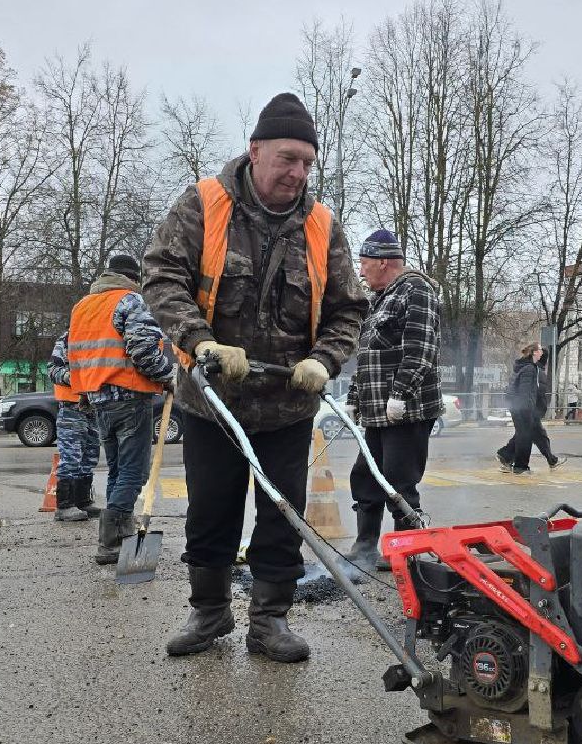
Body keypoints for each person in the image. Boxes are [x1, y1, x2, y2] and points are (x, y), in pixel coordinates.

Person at [145, 92, 368, 663]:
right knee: (211, 508)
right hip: (213, 401)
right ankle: (210, 612)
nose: (297, 172)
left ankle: (270, 620)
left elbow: (348, 309)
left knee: (282, 516)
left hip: (289, 405)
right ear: (255, 150)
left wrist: (325, 359)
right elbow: (162, 279)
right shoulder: (203, 204)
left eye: (308, 163)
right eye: (288, 158)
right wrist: (202, 342)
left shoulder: (322, 227)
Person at [342, 229, 442, 572]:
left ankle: (406, 551)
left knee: (400, 480)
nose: (362, 270)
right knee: (366, 476)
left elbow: (421, 349)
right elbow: (367, 355)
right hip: (376, 412)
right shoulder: (379, 299)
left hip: (407, 410)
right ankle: (366, 544)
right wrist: (355, 397)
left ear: (384, 261)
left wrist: (400, 394)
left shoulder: (417, 290)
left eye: (365, 263)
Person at [67, 252, 176, 564]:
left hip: (98, 399)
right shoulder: (130, 301)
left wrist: (84, 393)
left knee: (117, 469)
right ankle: (112, 541)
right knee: (133, 471)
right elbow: (142, 350)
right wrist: (167, 376)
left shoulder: (82, 307)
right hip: (129, 396)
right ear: (134, 278)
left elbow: (74, 355)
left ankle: (117, 537)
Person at [47, 329, 103, 523]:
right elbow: (53, 370)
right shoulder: (69, 338)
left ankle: (82, 501)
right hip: (72, 406)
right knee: (71, 456)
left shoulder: (99, 337)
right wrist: (76, 379)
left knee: (89, 456)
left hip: (93, 407)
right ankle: (64, 506)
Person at [497, 343, 561, 473]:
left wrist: (540, 348)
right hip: (524, 408)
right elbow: (526, 393)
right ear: (534, 353)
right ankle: (520, 467)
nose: (542, 352)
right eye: (539, 350)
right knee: (524, 437)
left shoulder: (535, 367)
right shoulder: (529, 369)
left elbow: (544, 356)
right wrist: (527, 411)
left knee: (536, 435)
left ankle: (506, 456)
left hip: (530, 408)